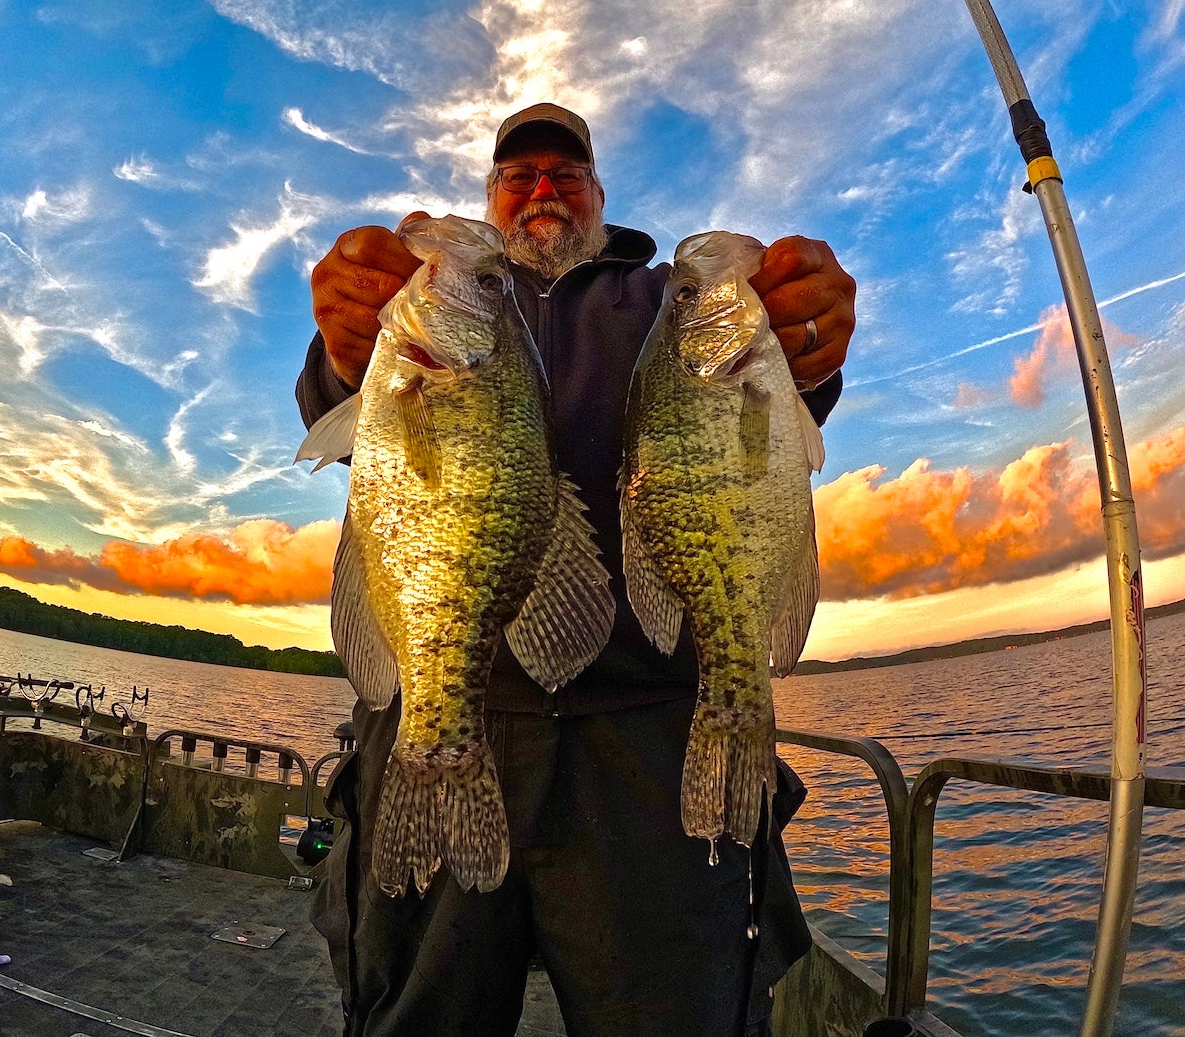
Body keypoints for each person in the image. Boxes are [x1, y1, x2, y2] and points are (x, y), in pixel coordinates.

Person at [297, 102, 857, 1037]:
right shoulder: (434, 304)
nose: (543, 188)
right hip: (451, 701)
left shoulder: (661, 304)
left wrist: (805, 336)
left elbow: (770, 409)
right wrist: (348, 346)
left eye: (567, 172)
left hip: (647, 742)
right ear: (491, 197)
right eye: (520, 175)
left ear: (599, 195)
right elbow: (357, 411)